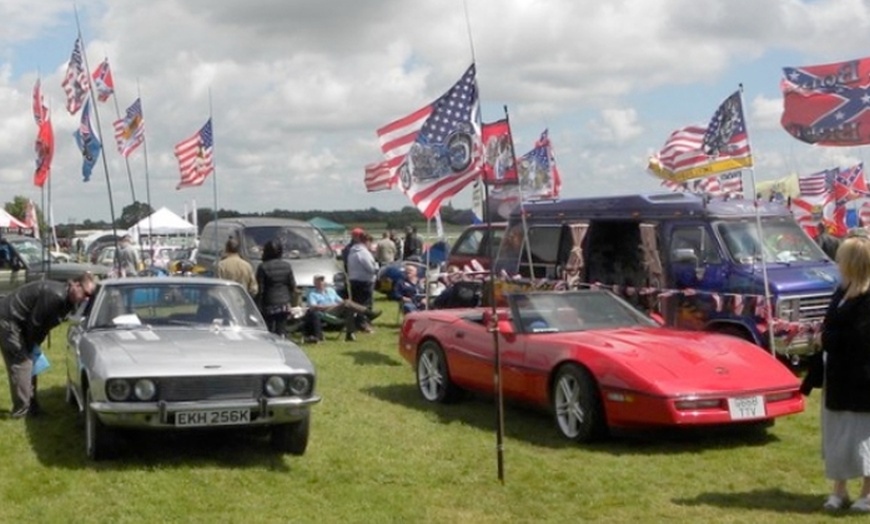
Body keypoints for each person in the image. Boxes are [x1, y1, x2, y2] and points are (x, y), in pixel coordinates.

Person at [801, 235, 870, 512]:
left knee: (864, 436)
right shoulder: (841, 290)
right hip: (838, 377)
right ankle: (839, 490)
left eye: (841, 258)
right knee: (837, 434)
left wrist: (827, 338)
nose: (837, 262)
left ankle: (867, 493)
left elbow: (861, 338)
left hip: (863, 380)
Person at [0, 272, 95, 418]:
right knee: (22, 363)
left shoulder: (68, 301)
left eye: (90, 296)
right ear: (75, 284)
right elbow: (35, 323)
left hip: (20, 324)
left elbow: (42, 326)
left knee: (31, 362)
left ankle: (32, 406)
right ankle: (21, 412)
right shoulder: (56, 295)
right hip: (9, 320)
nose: (86, 298)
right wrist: (31, 347)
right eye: (86, 293)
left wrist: (34, 347)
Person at [303, 275, 381, 342]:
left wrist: (340, 304)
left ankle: (349, 334)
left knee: (348, 307)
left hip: (337, 309)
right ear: (314, 283)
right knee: (347, 303)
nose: (321, 283)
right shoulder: (312, 293)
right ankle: (368, 313)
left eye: (322, 280)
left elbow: (340, 301)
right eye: (318, 281)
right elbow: (313, 307)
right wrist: (331, 306)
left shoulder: (330, 291)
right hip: (325, 312)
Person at [255, 239, 296, 337]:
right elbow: (292, 285)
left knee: (269, 330)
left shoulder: (263, 267)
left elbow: (261, 289)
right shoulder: (287, 266)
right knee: (281, 328)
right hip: (284, 303)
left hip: (269, 302)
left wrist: (258, 304)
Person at [346, 228, 379, 332]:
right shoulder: (363, 252)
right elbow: (370, 268)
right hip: (365, 280)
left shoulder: (352, 251)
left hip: (354, 279)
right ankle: (364, 324)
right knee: (365, 304)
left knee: (357, 303)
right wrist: (376, 267)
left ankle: (358, 323)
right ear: (366, 241)